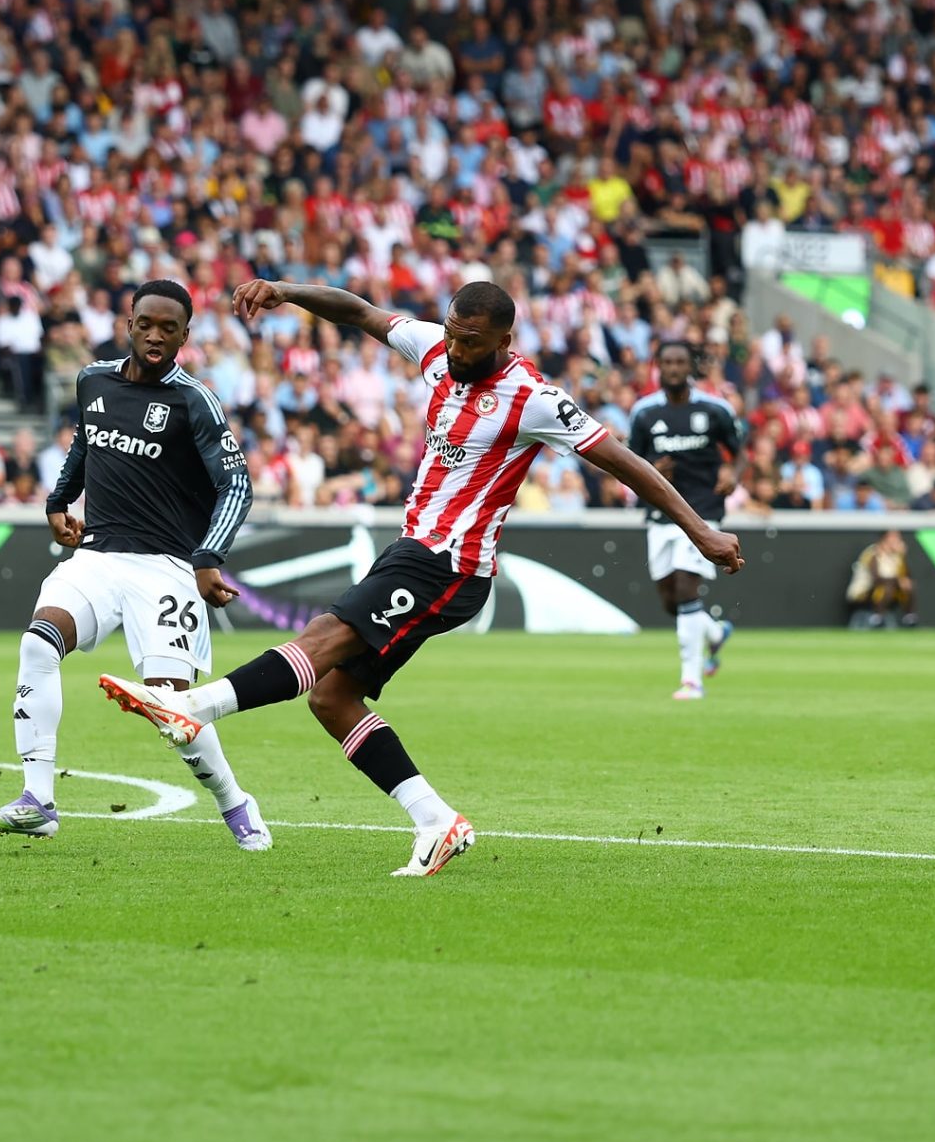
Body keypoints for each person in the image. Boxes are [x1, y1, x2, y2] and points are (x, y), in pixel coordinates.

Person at [100, 279, 743, 878]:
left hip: (451, 562)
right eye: (453, 332)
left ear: (504, 343)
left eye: (473, 342)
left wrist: (700, 530)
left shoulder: (534, 399)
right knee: (331, 698)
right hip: (413, 550)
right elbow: (358, 311)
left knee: (327, 631)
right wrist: (284, 291)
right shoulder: (436, 347)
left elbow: (624, 462)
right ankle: (436, 822)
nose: (457, 349)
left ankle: (192, 707)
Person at [0, 280, 270, 851]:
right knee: (38, 645)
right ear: (129, 324)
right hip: (98, 556)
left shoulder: (194, 401)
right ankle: (38, 800)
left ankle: (234, 800)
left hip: (166, 567)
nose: (155, 336)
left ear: (185, 336)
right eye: (146, 324)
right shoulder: (93, 380)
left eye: (169, 328)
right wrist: (58, 501)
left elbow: (237, 484)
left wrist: (207, 558)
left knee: (171, 709)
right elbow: (85, 446)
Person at [626, 339, 742, 700]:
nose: (674, 368)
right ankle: (713, 632)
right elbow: (631, 462)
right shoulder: (644, 413)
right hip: (660, 517)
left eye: (680, 362)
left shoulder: (715, 410)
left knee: (687, 589)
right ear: (658, 366)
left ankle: (692, 679)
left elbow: (739, 453)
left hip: (704, 512)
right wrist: (651, 470)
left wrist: (732, 473)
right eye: (667, 362)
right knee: (670, 600)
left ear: (691, 366)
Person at [845, 529, 916, 630]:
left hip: (886, 592)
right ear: (885, 538)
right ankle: (877, 617)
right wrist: (897, 581)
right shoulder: (872, 553)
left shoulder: (896, 556)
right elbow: (876, 578)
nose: (898, 540)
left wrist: (902, 556)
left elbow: (905, 576)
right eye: (895, 537)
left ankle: (909, 616)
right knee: (888, 587)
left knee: (906, 585)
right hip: (863, 591)